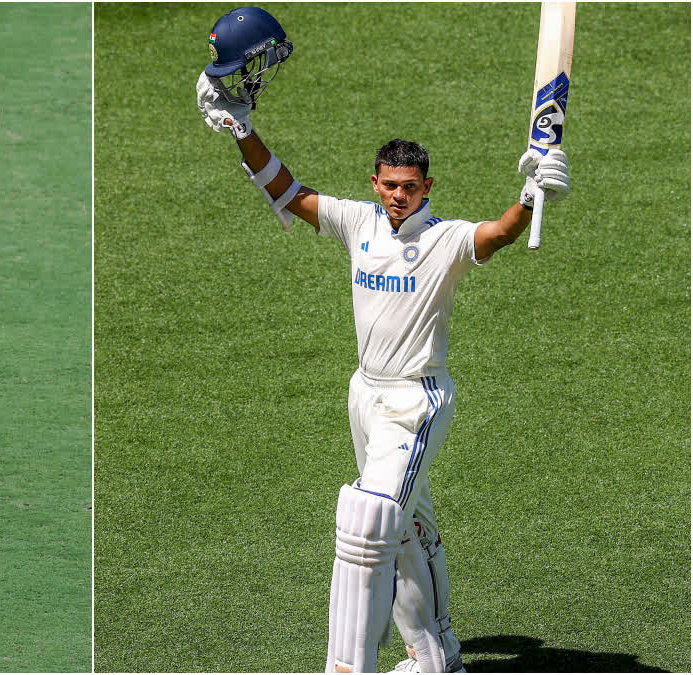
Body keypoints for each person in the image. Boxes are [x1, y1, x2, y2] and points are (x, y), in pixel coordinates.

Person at [195, 7, 570, 674]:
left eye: (409, 187)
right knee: (407, 527)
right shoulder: (356, 222)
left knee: (367, 519)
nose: (398, 196)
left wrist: (531, 195)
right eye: (389, 185)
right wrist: (242, 132)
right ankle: (436, 653)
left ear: (427, 188)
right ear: (376, 184)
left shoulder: (445, 238)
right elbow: (287, 191)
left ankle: (348, 667)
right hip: (364, 397)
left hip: (416, 403)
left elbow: (498, 235)